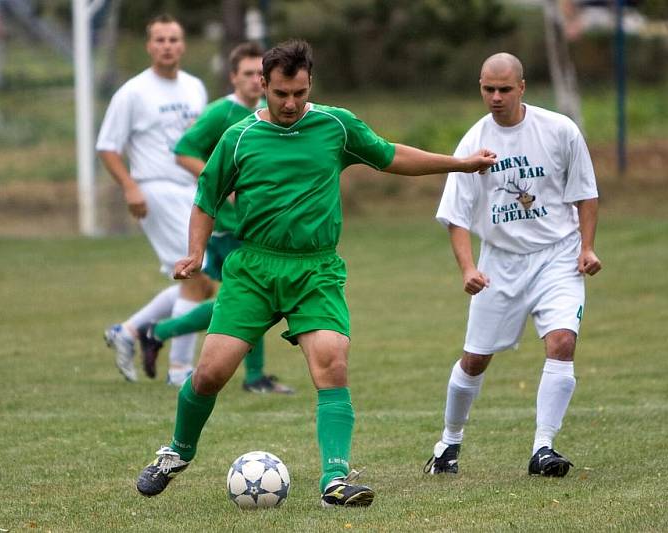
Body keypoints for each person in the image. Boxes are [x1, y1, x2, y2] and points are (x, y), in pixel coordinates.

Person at [135, 39, 497, 507]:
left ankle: (335, 480)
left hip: (316, 270)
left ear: (310, 87)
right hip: (254, 269)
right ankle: (177, 452)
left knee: (332, 364)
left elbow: (389, 155)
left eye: (299, 94)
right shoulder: (239, 137)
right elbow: (206, 199)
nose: (290, 104)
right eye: (280, 93)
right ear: (262, 85)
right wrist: (195, 252)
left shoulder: (335, 125)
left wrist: (461, 164)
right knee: (209, 374)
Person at [423, 52, 602, 478]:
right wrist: (468, 269)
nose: (497, 97)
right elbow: (456, 216)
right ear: (481, 88)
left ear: (522, 87)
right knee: (475, 360)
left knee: (562, 342)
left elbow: (586, 193)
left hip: (558, 255)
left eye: (505, 89)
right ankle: (449, 443)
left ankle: (543, 448)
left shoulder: (559, 130)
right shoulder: (473, 143)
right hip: (500, 263)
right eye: (489, 89)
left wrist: (587, 248)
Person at [137, 42, 293, 395]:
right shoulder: (221, 114)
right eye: (248, 74)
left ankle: (156, 333)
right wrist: (223, 182)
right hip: (231, 227)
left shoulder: (271, 113)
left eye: (260, 74)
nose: (255, 80)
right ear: (233, 77)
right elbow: (183, 151)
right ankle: (252, 377)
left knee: (245, 303)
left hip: (256, 226)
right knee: (255, 302)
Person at [97, 14, 213, 386]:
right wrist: (131, 187)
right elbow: (107, 147)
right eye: (160, 39)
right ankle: (180, 371)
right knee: (198, 274)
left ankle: (128, 331)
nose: (167, 46)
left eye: (174, 39)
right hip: (156, 189)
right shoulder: (133, 92)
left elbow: (202, 140)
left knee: (195, 280)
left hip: (191, 190)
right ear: (149, 46)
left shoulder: (194, 87)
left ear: (183, 45)